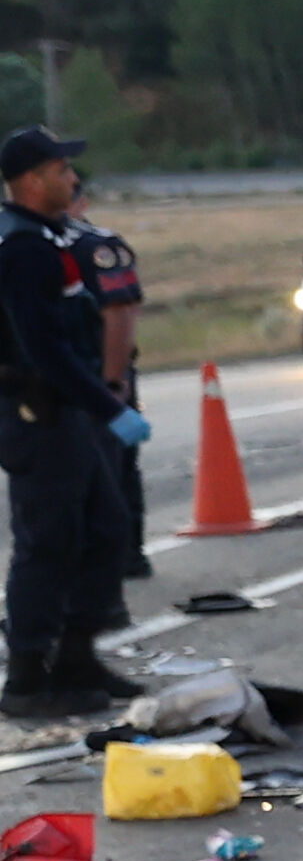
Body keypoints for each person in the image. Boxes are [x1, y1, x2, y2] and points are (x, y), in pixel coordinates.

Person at [0, 127, 139, 715]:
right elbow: (44, 348)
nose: (73, 180)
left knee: (106, 529)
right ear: (32, 181)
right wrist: (112, 405)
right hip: (41, 410)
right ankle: (29, 675)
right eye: (61, 170)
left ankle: (78, 658)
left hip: (65, 409)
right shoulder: (23, 247)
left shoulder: (44, 236)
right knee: (49, 541)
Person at [68, 172, 147, 636]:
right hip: (62, 387)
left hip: (100, 380)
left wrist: (113, 386)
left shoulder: (98, 246)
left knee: (113, 478)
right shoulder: (28, 242)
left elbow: (122, 311)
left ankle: (121, 567)